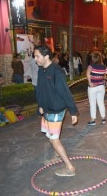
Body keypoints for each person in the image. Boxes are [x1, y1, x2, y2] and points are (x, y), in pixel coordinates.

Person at [34, 45, 78, 177]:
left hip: (56, 110)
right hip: (47, 109)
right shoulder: (41, 70)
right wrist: (40, 105)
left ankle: (70, 167)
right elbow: (40, 90)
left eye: (37, 56)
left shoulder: (56, 71)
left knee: (54, 139)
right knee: (51, 136)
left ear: (46, 56)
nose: (35, 59)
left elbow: (65, 92)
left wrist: (73, 111)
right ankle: (56, 156)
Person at [87, 53, 107, 126]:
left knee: (92, 103)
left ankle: (93, 120)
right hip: (101, 87)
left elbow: (88, 74)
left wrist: (90, 82)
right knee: (101, 102)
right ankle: (103, 118)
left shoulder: (91, 66)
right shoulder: (103, 67)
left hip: (93, 87)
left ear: (93, 59)